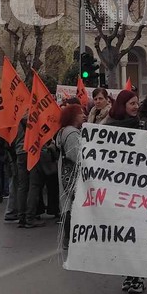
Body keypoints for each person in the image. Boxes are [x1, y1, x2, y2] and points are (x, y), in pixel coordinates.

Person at [105, 91, 147, 293]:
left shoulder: (142, 125)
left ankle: (138, 277)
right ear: (122, 105)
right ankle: (128, 275)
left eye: (137, 103)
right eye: (131, 103)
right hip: (117, 191)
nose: (135, 107)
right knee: (122, 236)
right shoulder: (107, 128)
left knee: (136, 235)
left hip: (138, 190)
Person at [56, 104, 85, 248]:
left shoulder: (64, 131)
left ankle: (68, 238)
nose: (83, 116)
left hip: (65, 173)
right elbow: (77, 155)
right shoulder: (72, 133)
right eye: (80, 114)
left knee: (67, 204)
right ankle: (69, 238)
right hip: (72, 174)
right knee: (72, 206)